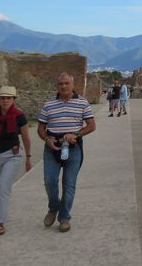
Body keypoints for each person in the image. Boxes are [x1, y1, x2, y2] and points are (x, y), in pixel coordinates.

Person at [37, 73, 95, 233]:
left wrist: (76, 135)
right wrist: (47, 139)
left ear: (72, 85)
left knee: (69, 184)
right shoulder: (49, 104)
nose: (63, 86)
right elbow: (41, 127)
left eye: (66, 83)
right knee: (49, 181)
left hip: (73, 147)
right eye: (60, 84)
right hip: (52, 146)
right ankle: (53, 207)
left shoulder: (82, 102)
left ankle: (64, 217)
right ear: (57, 86)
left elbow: (91, 125)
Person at [0, 86, 32, 236]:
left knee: (3, 187)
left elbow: (26, 138)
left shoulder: (19, 116)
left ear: (14, 99)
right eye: (2, 98)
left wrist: (28, 158)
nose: (5, 100)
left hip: (12, 155)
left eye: (8, 98)